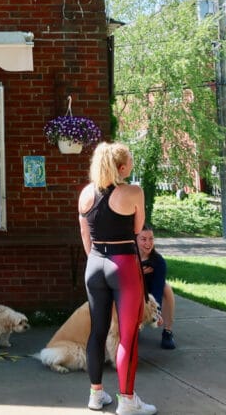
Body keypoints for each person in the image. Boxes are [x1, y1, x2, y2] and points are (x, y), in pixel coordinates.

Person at [78, 142, 157, 415]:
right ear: (121, 167)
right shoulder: (133, 191)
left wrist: (97, 259)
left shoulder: (86, 194)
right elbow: (137, 228)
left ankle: (96, 395)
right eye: (130, 162)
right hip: (123, 264)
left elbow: (85, 238)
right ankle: (126, 400)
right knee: (128, 336)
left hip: (95, 264)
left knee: (97, 332)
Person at [137, 225, 176, 349]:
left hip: (152, 292)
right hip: (134, 291)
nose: (148, 243)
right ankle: (130, 330)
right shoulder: (129, 258)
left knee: (167, 289)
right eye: (143, 239)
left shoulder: (158, 261)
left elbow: (158, 287)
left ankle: (168, 332)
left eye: (151, 239)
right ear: (135, 240)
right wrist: (139, 273)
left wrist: (156, 313)